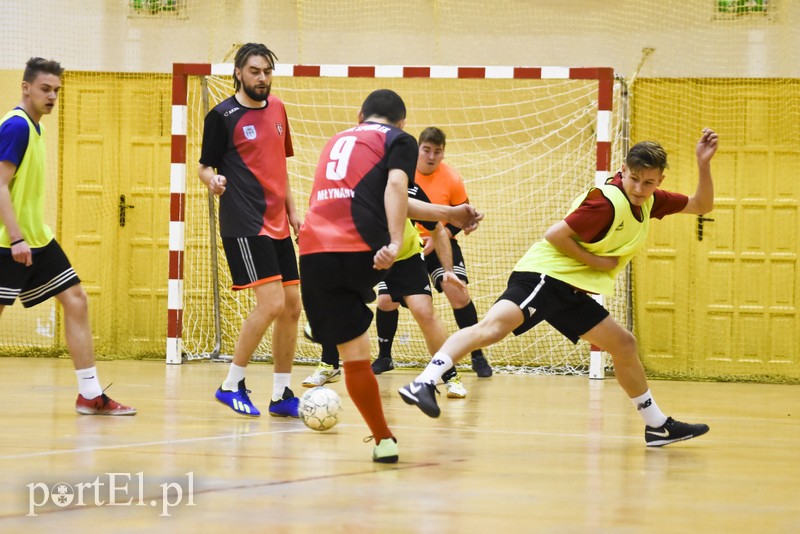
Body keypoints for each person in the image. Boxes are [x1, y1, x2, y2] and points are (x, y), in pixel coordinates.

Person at [400, 129, 719, 448]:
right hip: (543, 275)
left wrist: (702, 165)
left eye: (648, 182)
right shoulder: (604, 204)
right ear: (622, 170)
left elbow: (701, 204)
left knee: (623, 345)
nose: (639, 188)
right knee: (491, 328)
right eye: (633, 178)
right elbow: (555, 235)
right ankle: (424, 382)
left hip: (571, 290)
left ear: (659, 181)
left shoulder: (651, 201)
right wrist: (597, 262)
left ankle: (657, 426)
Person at [298, 89, 481, 463]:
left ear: (360, 113)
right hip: (364, 248)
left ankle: (384, 439)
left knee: (353, 354)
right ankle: (386, 433)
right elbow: (396, 189)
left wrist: (448, 213)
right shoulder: (398, 140)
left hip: (313, 250)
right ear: (402, 123)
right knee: (372, 321)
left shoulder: (335, 139)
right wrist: (397, 241)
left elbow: (387, 195)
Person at [0, 57, 136, 416]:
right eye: (45, 89)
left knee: (76, 300)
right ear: (26, 88)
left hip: (36, 239)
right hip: (7, 242)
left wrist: (25, 236)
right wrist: (15, 239)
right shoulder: (16, 127)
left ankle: (90, 395)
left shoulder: (35, 127)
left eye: (56, 90)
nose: (52, 96)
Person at [198, 43, 301, 418]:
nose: (262, 78)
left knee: (292, 307)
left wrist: (294, 214)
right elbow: (204, 166)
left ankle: (281, 393)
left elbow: (281, 168)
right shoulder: (221, 116)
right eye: (255, 71)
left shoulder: (278, 110)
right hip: (244, 223)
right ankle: (231, 384)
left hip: (277, 224)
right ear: (239, 73)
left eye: (267, 72)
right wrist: (213, 181)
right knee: (272, 303)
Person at [302, 216, 470, 399]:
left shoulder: (405, 192)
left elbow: (436, 227)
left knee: (424, 312)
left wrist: (448, 270)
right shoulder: (354, 192)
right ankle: (329, 365)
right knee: (336, 296)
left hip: (404, 257)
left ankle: (450, 375)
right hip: (364, 254)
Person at [380, 127, 493, 377]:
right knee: (386, 299)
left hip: (439, 241)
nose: (431, 156)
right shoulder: (402, 174)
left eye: (437, 151)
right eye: (426, 150)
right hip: (407, 246)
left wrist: (454, 229)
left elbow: (457, 218)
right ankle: (384, 357)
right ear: (418, 149)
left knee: (457, 291)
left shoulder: (452, 178)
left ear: (443, 154)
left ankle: (477, 355)